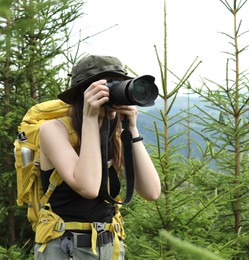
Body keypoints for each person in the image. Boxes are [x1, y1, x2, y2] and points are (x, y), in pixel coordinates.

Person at [35, 55, 161, 259]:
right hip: (65, 249)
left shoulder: (115, 134)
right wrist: (91, 118)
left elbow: (152, 192)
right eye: (105, 86)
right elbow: (89, 188)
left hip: (110, 246)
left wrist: (132, 129)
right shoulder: (53, 130)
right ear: (82, 94)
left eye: (117, 85)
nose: (111, 94)